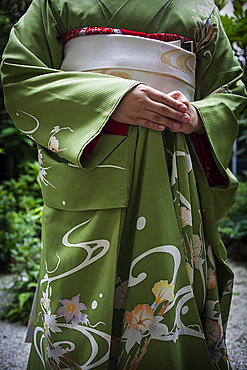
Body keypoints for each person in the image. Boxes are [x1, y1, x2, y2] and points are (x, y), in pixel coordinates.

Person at [1, 0, 246, 369]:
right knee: (79, 308)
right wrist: (109, 100)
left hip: (172, 169)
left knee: (168, 299)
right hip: (89, 171)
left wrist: (198, 116)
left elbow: (230, 91)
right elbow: (20, 74)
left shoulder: (201, 9)